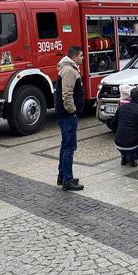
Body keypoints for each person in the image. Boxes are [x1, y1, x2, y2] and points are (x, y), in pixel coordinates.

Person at [54, 46, 85, 191]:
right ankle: (67, 180)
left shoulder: (68, 69)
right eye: (81, 55)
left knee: (65, 145)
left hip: (65, 114)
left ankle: (63, 176)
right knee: (69, 147)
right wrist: (72, 111)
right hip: (67, 115)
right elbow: (67, 94)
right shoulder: (69, 71)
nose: (83, 58)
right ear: (74, 57)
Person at [109, 87, 138, 167]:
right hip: (133, 145)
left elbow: (113, 125)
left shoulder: (121, 108)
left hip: (118, 143)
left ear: (130, 97)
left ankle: (124, 156)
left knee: (126, 136)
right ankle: (134, 156)